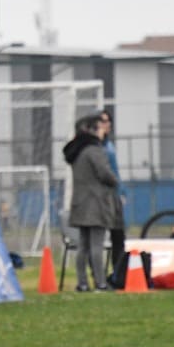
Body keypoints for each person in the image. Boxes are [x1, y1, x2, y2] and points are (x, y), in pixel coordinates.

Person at [63, 114, 118, 292]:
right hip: (96, 203)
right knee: (96, 245)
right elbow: (105, 174)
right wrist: (115, 180)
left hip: (80, 202)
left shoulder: (77, 151)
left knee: (83, 246)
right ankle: (100, 283)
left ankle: (82, 282)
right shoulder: (94, 150)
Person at [98, 109, 126, 271]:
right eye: (102, 121)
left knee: (118, 236)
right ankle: (98, 276)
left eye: (108, 121)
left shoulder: (109, 145)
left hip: (114, 195)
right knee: (97, 238)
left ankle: (118, 273)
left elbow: (115, 171)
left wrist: (121, 191)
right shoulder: (95, 147)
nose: (106, 125)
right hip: (101, 197)